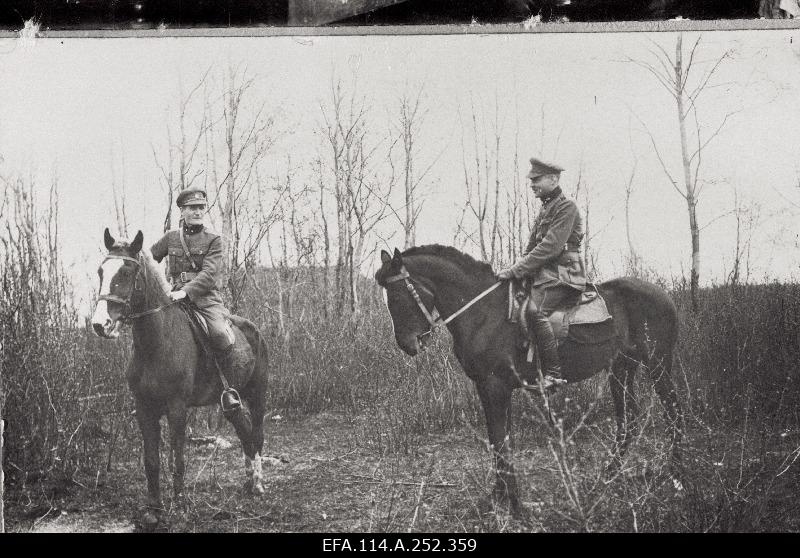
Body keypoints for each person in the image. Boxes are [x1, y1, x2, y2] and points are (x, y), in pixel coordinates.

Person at [496, 158, 586, 392]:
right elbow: (531, 248)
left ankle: (553, 375)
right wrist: (518, 272)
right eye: (531, 180)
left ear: (553, 179)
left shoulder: (567, 208)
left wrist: (517, 270)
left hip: (564, 273)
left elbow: (551, 247)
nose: (532, 184)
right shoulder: (546, 209)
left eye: (536, 180)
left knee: (535, 311)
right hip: (544, 273)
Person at [150, 186, 241, 413]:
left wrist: (187, 291)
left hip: (205, 301)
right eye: (192, 208)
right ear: (182, 211)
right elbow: (148, 261)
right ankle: (150, 392)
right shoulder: (171, 238)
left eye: (201, 207)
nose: (198, 212)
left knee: (220, 334)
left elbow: (210, 274)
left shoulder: (213, 240)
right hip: (173, 299)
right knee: (152, 332)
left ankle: (226, 390)